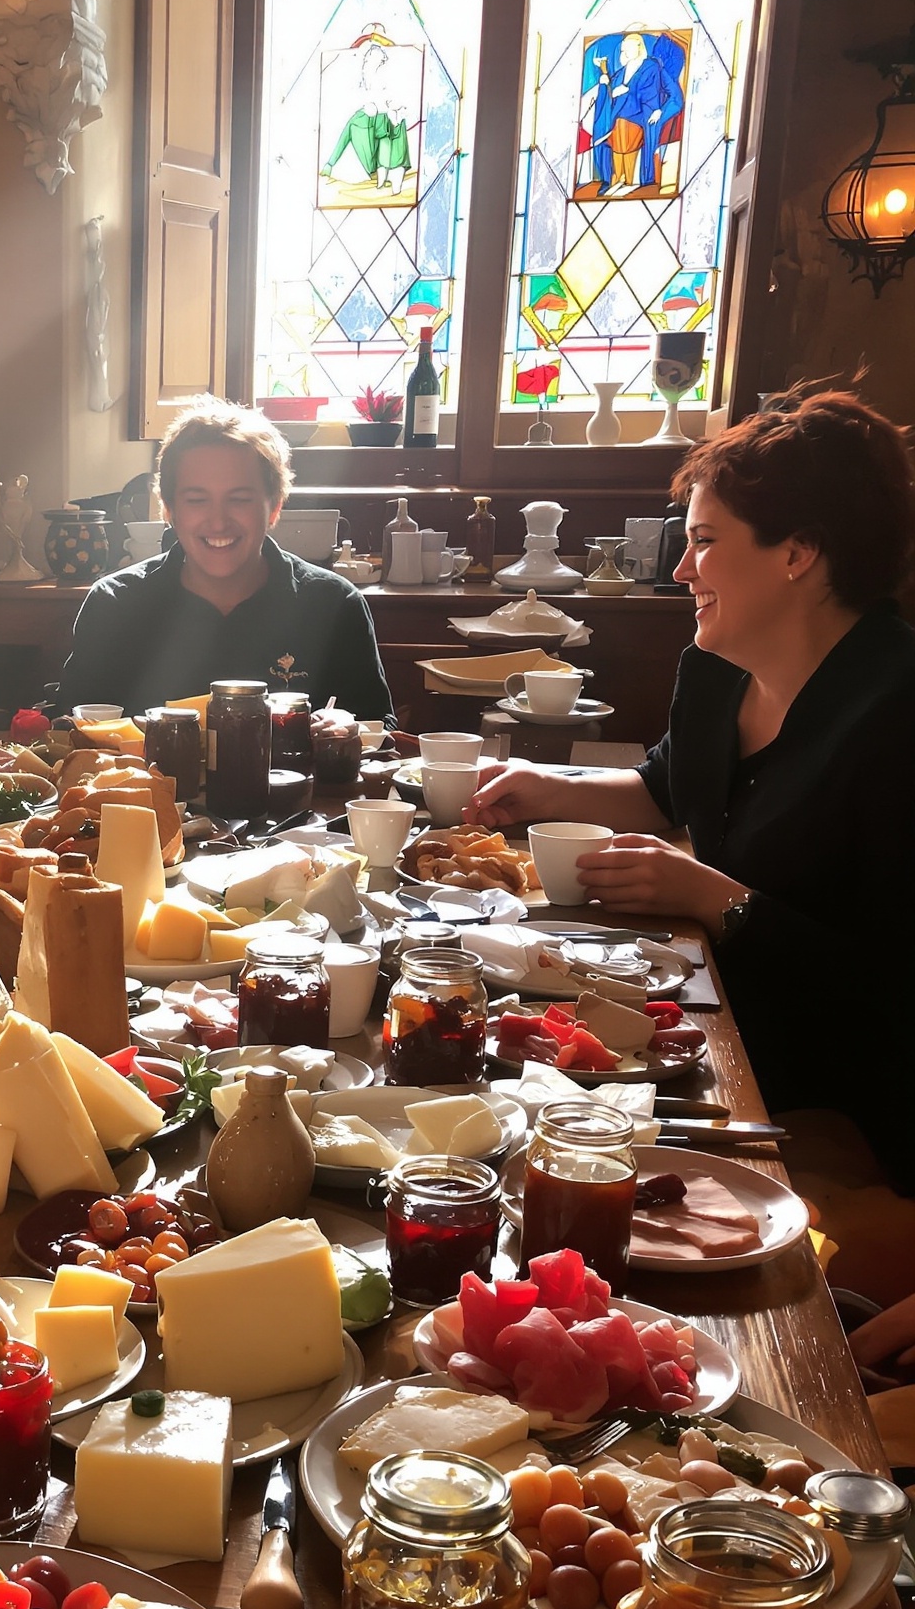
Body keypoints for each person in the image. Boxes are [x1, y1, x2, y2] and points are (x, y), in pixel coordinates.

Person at [463, 386, 915, 1191]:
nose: (680, 568)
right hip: (703, 1025)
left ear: (797, 552)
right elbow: (665, 789)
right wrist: (547, 788)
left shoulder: (895, 714)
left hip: (822, 1085)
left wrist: (720, 901)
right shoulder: (715, 670)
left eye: (704, 542)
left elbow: (887, 985)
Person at [57, 395, 394, 720]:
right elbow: (70, 732)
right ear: (168, 508)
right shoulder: (114, 605)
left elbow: (376, 727)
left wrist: (345, 732)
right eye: (197, 500)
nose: (218, 521)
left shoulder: (333, 604)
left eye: (240, 499)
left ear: (275, 506)